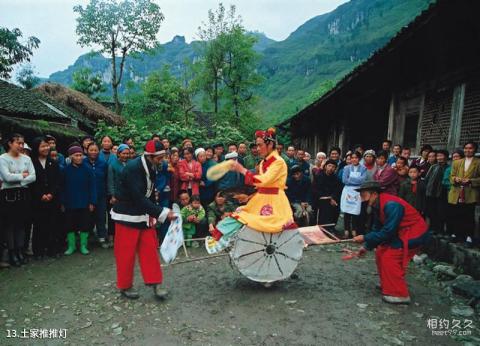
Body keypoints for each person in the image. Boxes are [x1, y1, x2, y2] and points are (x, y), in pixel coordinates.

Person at [206, 128, 294, 254]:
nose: (257, 148)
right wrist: (249, 197)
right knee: (238, 215)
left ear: (270, 144)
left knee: (254, 222)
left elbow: (264, 181)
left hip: (274, 201)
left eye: (260, 145)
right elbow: (262, 187)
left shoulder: (278, 162)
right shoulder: (264, 162)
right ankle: (220, 238)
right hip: (262, 198)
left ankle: (223, 239)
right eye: (257, 145)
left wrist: (241, 169)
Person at [111, 140, 176, 300]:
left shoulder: (152, 166)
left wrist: (155, 212)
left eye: (163, 157)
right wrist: (162, 212)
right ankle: (125, 285)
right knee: (125, 253)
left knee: (150, 250)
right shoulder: (133, 169)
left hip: (144, 214)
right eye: (159, 158)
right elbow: (138, 198)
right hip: (127, 215)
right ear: (150, 156)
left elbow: (150, 193)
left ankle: (155, 283)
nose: (162, 161)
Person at [352, 181, 430, 304]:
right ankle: (387, 284)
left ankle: (400, 294)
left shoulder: (391, 205)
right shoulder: (378, 205)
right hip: (400, 232)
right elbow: (377, 228)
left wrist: (365, 238)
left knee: (390, 256)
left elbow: (388, 231)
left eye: (363, 194)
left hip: (414, 233)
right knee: (381, 252)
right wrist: (366, 246)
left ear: (373, 194)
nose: (362, 198)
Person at [0, 133, 36, 266]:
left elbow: (33, 176)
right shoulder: (3, 159)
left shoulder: (26, 158)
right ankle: (12, 252)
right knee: (10, 225)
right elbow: (6, 177)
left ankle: (20, 250)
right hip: (8, 196)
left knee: (21, 224)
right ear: (10, 143)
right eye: (18, 143)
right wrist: (22, 176)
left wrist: (18, 179)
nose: (21, 146)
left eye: (22, 143)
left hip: (23, 194)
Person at [61, 145, 96, 256]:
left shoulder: (88, 169)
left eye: (81, 155)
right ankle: (71, 246)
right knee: (69, 225)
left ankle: (83, 245)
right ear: (71, 157)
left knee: (84, 224)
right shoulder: (65, 170)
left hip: (84, 202)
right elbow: (62, 187)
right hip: (70, 203)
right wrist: (62, 202)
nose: (79, 157)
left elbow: (93, 186)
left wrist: (92, 201)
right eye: (76, 155)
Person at [30, 137, 61, 258]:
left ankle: (52, 249)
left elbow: (57, 181)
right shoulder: (31, 162)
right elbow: (32, 182)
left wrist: (51, 194)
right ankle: (38, 251)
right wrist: (40, 195)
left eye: (47, 146)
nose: (46, 148)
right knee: (39, 225)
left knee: (53, 224)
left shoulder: (53, 162)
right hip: (37, 199)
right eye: (42, 146)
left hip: (52, 199)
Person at [448, 142, 480, 247]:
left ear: (475, 150)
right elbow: (451, 176)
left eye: (470, 148)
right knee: (456, 214)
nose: (468, 150)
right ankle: (456, 234)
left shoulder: (478, 162)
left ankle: (469, 237)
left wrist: (471, 181)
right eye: (466, 148)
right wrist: (455, 179)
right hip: (457, 192)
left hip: (470, 192)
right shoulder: (457, 162)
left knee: (468, 216)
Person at [84, 143, 109, 248]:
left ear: (99, 151)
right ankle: (86, 239)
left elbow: (107, 179)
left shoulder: (103, 164)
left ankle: (102, 237)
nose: (93, 152)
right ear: (86, 151)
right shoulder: (83, 163)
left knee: (101, 216)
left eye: (95, 150)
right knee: (87, 217)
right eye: (91, 150)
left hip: (101, 195)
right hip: (86, 195)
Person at [341, 151, 367, 238]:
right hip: (348, 191)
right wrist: (356, 180)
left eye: (356, 157)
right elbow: (344, 180)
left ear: (359, 159)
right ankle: (346, 231)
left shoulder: (363, 168)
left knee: (355, 211)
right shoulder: (346, 168)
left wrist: (350, 179)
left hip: (358, 192)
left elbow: (363, 180)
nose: (354, 159)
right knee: (347, 211)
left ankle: (354, 230)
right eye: (352, 158)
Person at [107, 144, 130, 244]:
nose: (125, 155)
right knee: (115, 217)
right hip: (117, 195)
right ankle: (113, 237)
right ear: (118, 154)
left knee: (127, 217)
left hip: (128, 195)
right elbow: (110, 181)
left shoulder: (130, 164)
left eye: (127, 153)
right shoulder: (113, 165)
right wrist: (112, 195)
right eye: (123, 153)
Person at [312, 159, 343, 231]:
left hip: (332, 198)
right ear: (325, 166)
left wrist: (333, 197)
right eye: (329, 166)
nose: (331, 168)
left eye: (333, 167)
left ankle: (331, 227)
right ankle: (321, 227)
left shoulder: (336, 178)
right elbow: (315, 189)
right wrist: (328, 198)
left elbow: (337, 190)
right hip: (320, 198)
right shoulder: (319, 176)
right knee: (324, 206)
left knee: (336, 206)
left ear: (335, 169)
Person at [424, 150, 449, 233]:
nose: (439, 158)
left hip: (442, 193)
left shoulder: (448, 167)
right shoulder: (434, 166)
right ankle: (432, 228)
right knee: (431, 211)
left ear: (446, 157)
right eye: (438, 156)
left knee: (440, 212)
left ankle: (440, 229)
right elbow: (427, 178)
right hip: (431, 192)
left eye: (441, 156)